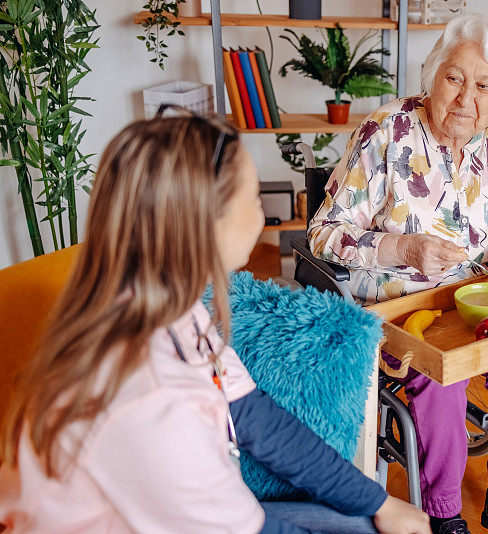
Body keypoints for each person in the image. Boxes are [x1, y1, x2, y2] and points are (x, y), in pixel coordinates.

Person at [0, 109, 430, 534]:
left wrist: (380, 501)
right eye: (255, 197)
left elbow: (257, 420)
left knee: (364, 520)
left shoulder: (168, 306)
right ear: (205, 223)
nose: (262, 212)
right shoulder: (153, 402)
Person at [308, 13, 488, 534]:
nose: (467, 97)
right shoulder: (386, 133)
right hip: (401, 311)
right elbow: (322, 233)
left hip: (477, 302)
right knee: (441, 378)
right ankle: (441, 510)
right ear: (433, 76)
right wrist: (401, 247)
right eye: (455, 78)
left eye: (484, 85)